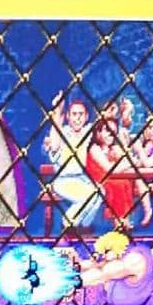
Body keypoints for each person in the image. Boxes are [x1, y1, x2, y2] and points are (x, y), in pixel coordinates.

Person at [42, 94, 103, 229]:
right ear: (68, 117)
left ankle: (84, 226)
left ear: (86, 117)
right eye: (74, 114)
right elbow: (54, 146)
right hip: (63, 180)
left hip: (82, 179)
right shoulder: (62, 133)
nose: (78, 118)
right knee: (88, 196)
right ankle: (68, 221)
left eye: (81, 114)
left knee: (100, 193)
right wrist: (57, 110)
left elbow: (103, 124)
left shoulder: (88, 132)